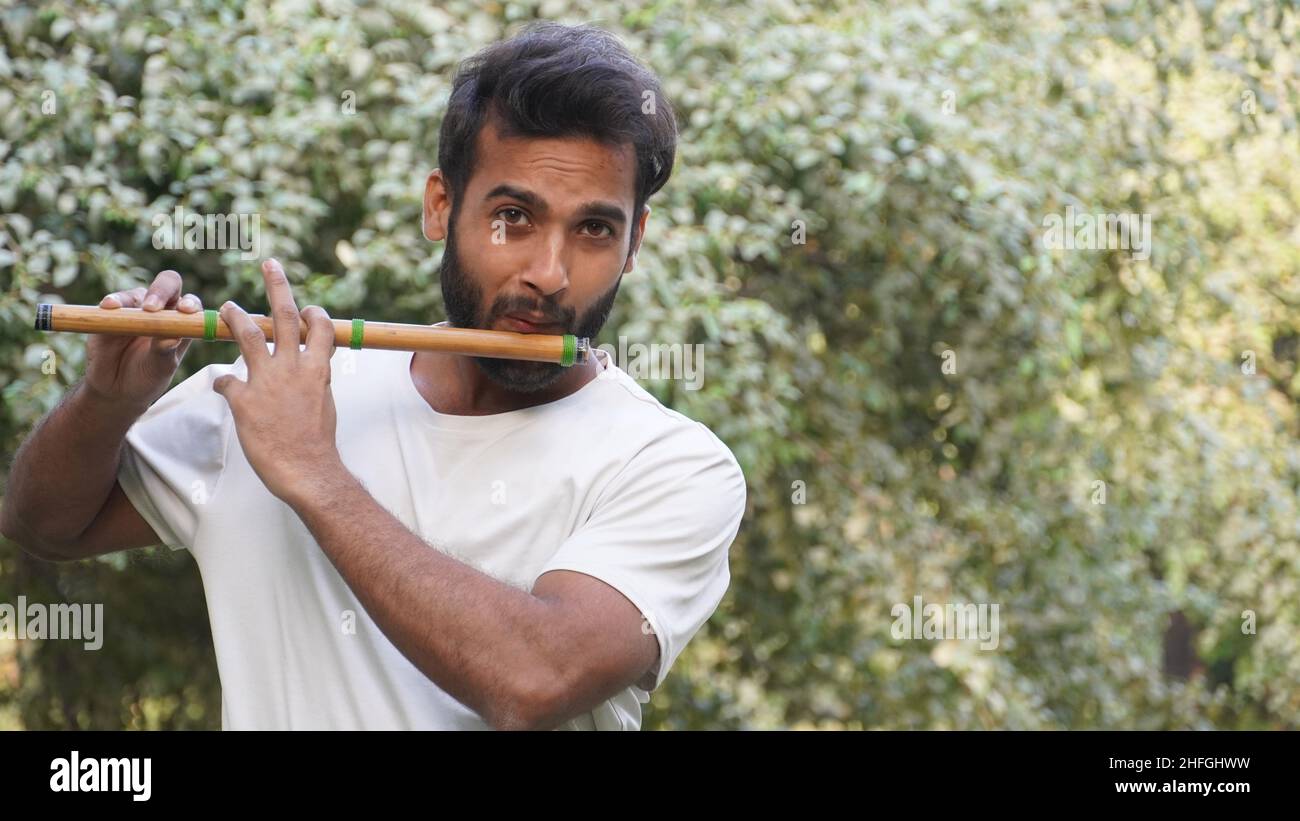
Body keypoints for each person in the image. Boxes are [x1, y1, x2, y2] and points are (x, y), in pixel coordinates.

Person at [0, 21, 746, 730]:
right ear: (440, 206)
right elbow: (44, 524)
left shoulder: (671, 464)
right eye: (513, 217)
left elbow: (534, 679)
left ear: (634, 241)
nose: (549, 274)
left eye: (594, 229)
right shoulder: (272, 396)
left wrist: (312, 472)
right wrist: (105, 402)